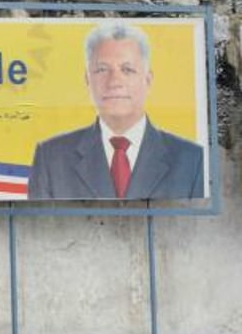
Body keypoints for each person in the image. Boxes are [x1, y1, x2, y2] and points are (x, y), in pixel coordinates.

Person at [27, 21, 204, 201]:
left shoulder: (192, 159)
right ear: (88, 80)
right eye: (102, 69)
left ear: (148, 80)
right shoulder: (52, 157)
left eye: (127, 70)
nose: (114, 82)